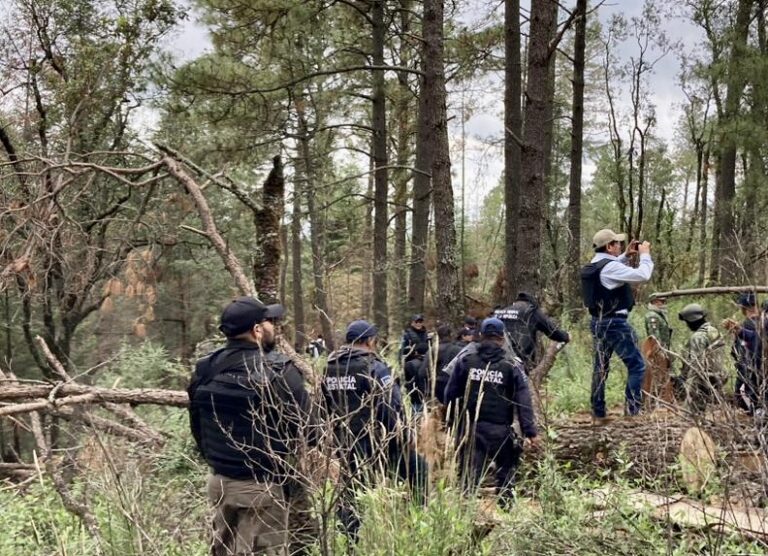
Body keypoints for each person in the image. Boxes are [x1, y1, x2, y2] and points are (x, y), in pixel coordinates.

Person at [188, 296, 315, 556]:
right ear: (257, 330)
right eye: (269, 321)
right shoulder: (279, 371)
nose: (274, 327)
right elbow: (310, 429)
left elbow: (197, 425)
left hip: (220, 483)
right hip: (262, 488)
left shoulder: (206, 368)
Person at [322, 320, 427, 537]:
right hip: (378, 443)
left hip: (344, 442)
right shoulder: (375, 367)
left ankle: (348, 541)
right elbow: (392, 407)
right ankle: (417, 525)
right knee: (419, 470)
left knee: (352, 491)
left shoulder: (330, 367)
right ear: (369, 341)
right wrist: (404, 437)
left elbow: (324, 407)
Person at [444, 318, 539, 505]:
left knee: (468, 477)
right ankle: (506, 512)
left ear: (481, 336)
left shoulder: (466, 361)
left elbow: (450, 394)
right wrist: (530, 432)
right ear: (502, 338)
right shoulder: (512, 365)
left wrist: (453, 422)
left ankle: (465, 513)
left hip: (471, 429)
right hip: (500, 430)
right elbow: (523, 399)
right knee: (506, 473)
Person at [580, 229, 654, 418]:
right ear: (609, 247)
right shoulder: (610, 268)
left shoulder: (594, 266)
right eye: (617, 243)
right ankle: (633, 411)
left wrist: (624, 256)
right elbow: (643, 275)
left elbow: (608, 269)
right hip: (615, 324)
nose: (620, 245)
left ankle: (598, 411)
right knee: (637, 365)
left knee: (601, 368)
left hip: (598, 322)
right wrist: (645, 255)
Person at [493, 291, 570, 372]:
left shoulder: (501, 312)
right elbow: (552, 331)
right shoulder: (531, 311)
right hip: (519, 360)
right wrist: (566, 336)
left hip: (496, 358)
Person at [677, 304, 725, 412]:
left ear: (691, 321)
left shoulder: (698, 337)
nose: (687, 325)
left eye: (687, 322)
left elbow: (696, 364)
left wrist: (689, 384)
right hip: (717, 375)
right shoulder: (713, 330)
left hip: (700, 379)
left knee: (690, 414)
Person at [723, 293, 764, 413]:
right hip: (761, 370)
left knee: (745, 397)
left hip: (750, 370)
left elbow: (740, 351)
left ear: (743, 308)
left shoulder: (746, 325)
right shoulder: (764, 322)